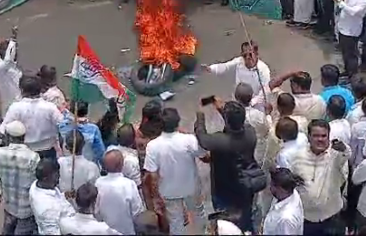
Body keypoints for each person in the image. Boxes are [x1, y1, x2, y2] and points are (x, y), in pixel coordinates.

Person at [194, 99, 256, 233]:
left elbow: (202, 137)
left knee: (225, 223)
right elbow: (235, 124)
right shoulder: (251, 133)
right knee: (246, 218)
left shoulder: (220, 141)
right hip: (246, 185)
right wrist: (223, 111)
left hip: (224, 190)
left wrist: (200, 115)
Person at [143, 107, 204, 235]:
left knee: (175, 222)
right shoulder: (189, 140)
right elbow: (204, 156)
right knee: (198, 213)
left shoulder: (152, 146)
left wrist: (156, 197)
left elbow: (152, 176)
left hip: (168, 191)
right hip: (191, 187)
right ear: (178, 123)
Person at [289, 119, 349, 234]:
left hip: (331, 217)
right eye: (316, 136)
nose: (320, 139)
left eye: (323, 136)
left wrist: (343, 148)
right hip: (306, 218)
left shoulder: (336, 157)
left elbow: (346, 154)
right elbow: (291, 181)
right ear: (309, 137)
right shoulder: (297, 157)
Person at [0, 120, 40, 235]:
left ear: (8, 136)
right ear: (24, 137)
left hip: (8, 205)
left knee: (7, 229)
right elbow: (37, 184)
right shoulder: (33, 157)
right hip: (27, 209)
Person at [0, 74, 63, 160]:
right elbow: (62, 125)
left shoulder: (15, 108)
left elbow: (3, 129)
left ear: (21, 90)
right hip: (47, 151)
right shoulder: (50, 107)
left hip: (24, 153)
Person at [203, 41, 272, 110]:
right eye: (244, 55)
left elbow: (266, 90)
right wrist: (211, 68)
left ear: (256, 54)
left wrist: (253, 102)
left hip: (256, 105)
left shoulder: (263, 70)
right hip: (239, 100)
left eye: (250, 54)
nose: (247, 57)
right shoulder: (239, 61)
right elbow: (225, 66)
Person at [94, 150, 144, 235]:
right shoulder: (129, 184)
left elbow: (96, 210)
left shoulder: (98, 183)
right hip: (126, 231)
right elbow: (137, 211)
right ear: (121, 164)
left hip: (104, 231)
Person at [30, 158, 76, 235]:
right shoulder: (47, 209)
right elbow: (52, 232)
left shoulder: (36, 184)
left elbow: (55, 201)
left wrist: (64, 195)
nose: (59, 177)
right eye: (56, 175)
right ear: (45, 178)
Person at [263, 167, 305, 235]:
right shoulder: (291, 193)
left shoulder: (286, 219)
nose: (270, 186)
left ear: (280, 189)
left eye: (272, 185)